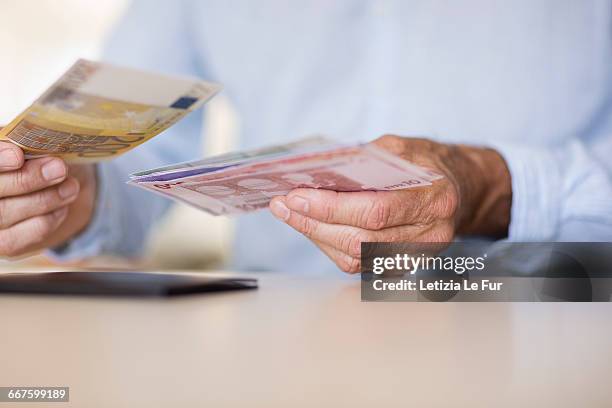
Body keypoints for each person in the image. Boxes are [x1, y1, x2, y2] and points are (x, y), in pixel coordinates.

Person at [0, 0, 611, 274]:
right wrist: (69, 195)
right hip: (274, 330)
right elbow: (147, 163)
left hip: (549, 310)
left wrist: (491, 186)